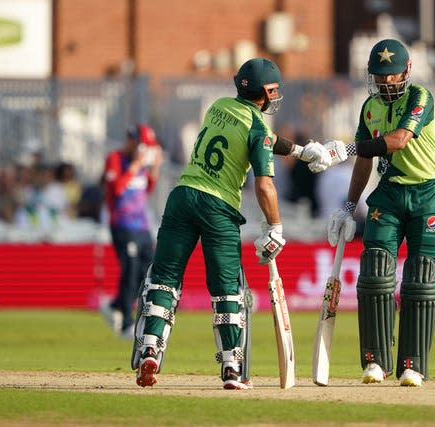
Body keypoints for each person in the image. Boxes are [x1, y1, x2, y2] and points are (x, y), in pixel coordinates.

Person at [130, 57, 333, 390]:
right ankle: (231, 368)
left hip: (182, 196)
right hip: (218, 207)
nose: (275, 96)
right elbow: (265, 182)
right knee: (227, 291)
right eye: (273, 90)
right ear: (263, 92)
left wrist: (301, 151)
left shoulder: (219, 107)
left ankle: (151, 345)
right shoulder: (258, 128)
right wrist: (276, 227)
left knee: (165, 279)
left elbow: (264, 138)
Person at [318, 39, 435, 387]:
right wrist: (348, 205)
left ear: (406, 71)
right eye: (379, 76)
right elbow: (365, 160)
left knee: (420, 280)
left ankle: (413, 365)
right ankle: (375, 361)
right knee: (375, 273)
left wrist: (342, 148)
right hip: (388, 194)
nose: (386, 83)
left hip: (426, 195)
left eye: (391, 75)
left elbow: (399, 139)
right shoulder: (369, 107)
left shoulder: (421, 98)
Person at [100, 124, 164, 340]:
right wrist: (136, 165)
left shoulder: (143, 164)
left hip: (142, 225)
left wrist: (154, 168)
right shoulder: (116, 158)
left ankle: (116, 305)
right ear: (131, 141)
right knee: (129, 269)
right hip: (122, 224)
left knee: (148, 271)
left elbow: (146, 189)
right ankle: (126, 321)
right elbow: (117, 189)